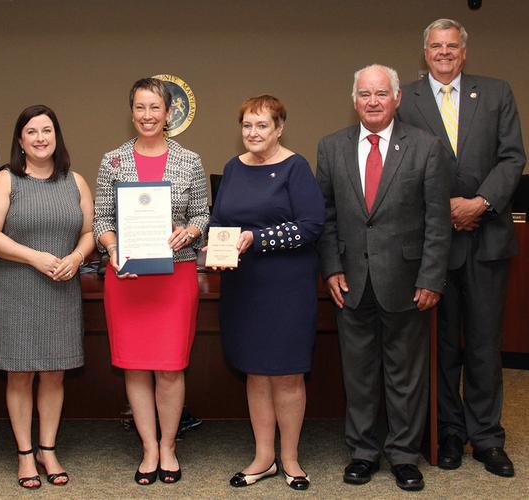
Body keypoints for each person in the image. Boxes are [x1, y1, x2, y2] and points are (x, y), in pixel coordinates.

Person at [397, 18, 526, 477]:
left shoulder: (496, 92)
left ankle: (487, 438)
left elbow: (513, 156)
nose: (445, 52)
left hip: (488, 238)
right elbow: (400, 167)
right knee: (442, 345)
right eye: (436, 46)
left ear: (464, 52)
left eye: (453, 46)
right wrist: (444, 209)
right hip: (434, 243)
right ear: (425, 52)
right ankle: (449, 432)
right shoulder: (405, 99)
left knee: (485, 345)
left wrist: (481, 203)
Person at [316, 64, 452, 491]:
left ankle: (404, 455)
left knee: (405, 374)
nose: (372, 102)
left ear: (396, 99)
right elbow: (327, 216)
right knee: (358, 372)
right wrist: (332, 268)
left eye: (380, 94)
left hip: (409, 280)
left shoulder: (426, 147)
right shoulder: (331, 147)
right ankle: (362, 452)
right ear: (354, 100)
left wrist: (432, 277)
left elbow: (437, 221)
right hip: (351, 280)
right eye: (364, 94)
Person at [93, 77, 210, 485]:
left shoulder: (190, 161)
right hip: (126, 278)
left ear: (169, 113)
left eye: (154, 108)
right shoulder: (112, 161)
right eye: (140, 108)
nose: (147, 116)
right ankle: (147, 448)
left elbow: (202, 215)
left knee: (170, 367)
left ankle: (169, 447)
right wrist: (111, 250)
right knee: (135, 367)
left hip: (174, 278)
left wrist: (190, 233)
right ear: (132, 112)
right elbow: (102, 220)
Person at [208, 95, 324, 491]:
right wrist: (215, 247)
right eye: (247, 126)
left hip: (287, 286)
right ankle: (263, 458)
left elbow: (311, 226)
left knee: (288, 374)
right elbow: (220, 222)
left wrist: (255, 238)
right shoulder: (232, 168)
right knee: (256, 372)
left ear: (279, 128)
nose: (253, 133)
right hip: (244, 286)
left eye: (261, 125)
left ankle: (290, 459)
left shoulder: (296, 168)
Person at [0, 105, 95, 489]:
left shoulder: (75, 182)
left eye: (47, 130)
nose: (41, 138)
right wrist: (33, 257)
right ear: (21, 140)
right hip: (17, 289)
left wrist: (77, 258)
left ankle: (48, 448)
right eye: (32, 132)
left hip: (62, 288)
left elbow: (90, 232)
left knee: (55, 374)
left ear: (56, 136)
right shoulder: (5, 180)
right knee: (20, 374)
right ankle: (25, 453)